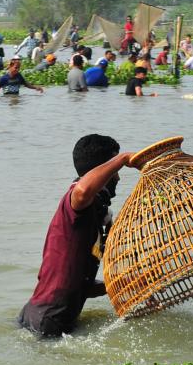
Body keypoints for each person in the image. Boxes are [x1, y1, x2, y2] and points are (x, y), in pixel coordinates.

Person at [18, 134, 134, 337]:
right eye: (114, 171)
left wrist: (122, 285)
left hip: (41, 315)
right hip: (49, 319)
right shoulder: (77, 201)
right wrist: (123, 159)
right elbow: (83, 190)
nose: (118, 177)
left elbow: (78, 286)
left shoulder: (96, 213)